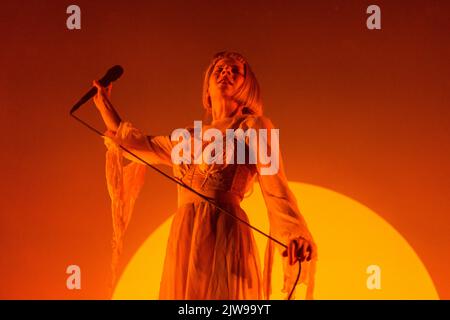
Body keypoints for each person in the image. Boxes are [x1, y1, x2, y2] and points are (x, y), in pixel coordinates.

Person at [93, 51, 317, 300]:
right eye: (219, 69)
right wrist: (103, 103)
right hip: (185, 238)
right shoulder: (186, 137)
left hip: (225, 234)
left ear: (247, 86)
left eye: (234, 70)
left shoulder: (253, 126)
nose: (225, 72)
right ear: (207, 86)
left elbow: (276, 185)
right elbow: (134, 145)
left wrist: (295, 234)